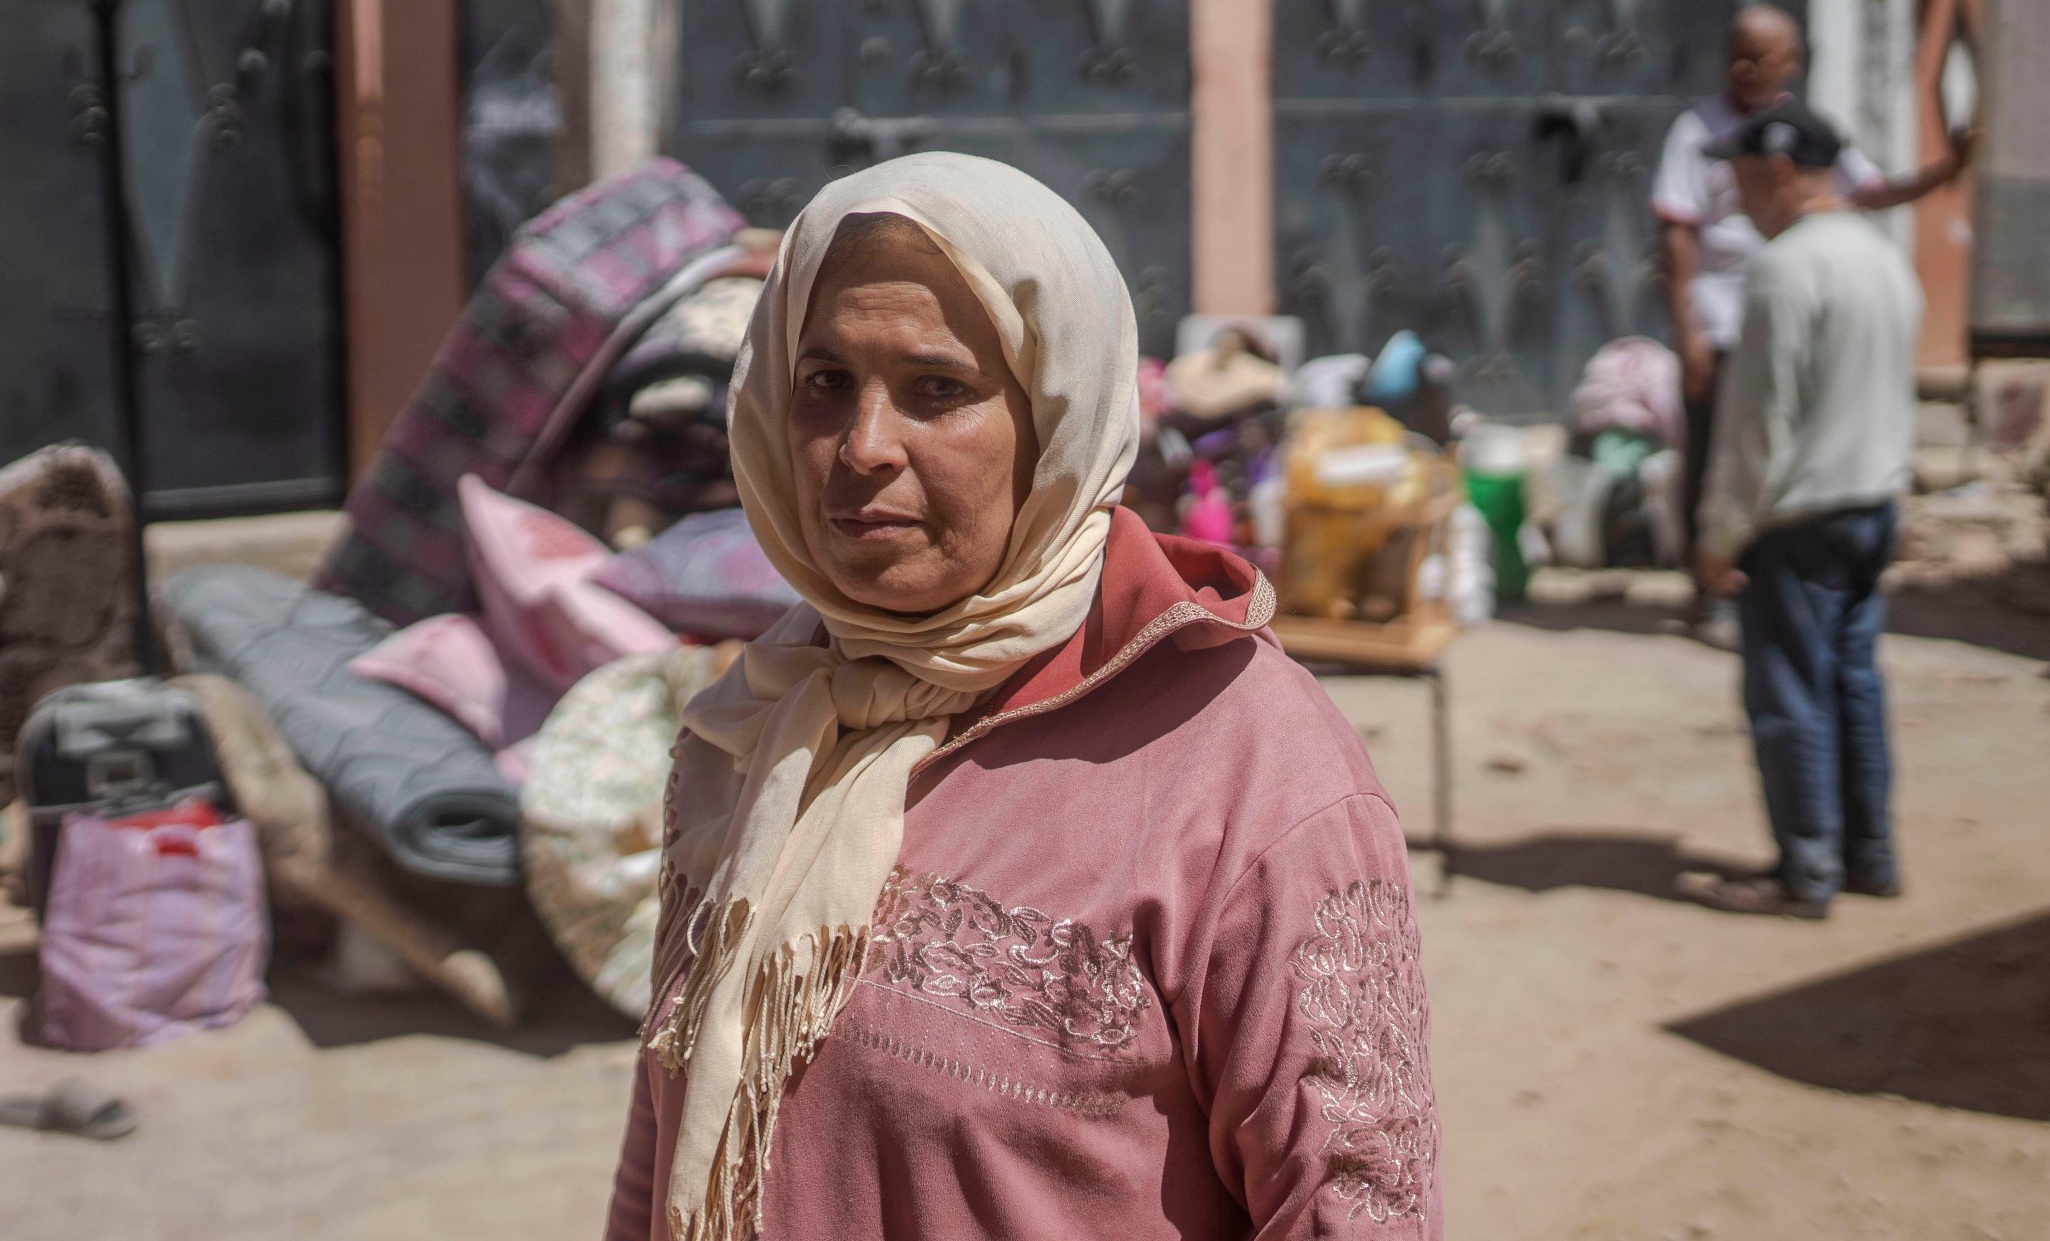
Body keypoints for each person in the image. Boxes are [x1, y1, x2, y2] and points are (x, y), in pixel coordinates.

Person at [605, 153, 1439, 1240]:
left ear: (1055, 416)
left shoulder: (1250, 776)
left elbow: (1356, 1214)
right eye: (824, 383)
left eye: (938, 390)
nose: (862, 446)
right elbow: (663, 1141)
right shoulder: (764, 719)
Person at [1652, 4, 1971, 647]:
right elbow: (1677, 233)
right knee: (1723, 450)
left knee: (1765, 444)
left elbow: (1874, 191)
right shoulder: (1698, 132)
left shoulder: (1807, 184)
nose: (1743, 68)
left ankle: (1747, 573)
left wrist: (1946, 172)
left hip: (1792, 334)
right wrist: (1687, 329)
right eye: (1735, 53)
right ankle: (1715, 584)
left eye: (1759, 57)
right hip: (1724, 321)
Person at [1683, 101, 1922, 920]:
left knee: (1790, 694)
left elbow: (1756, 426)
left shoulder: (1786, 269)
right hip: (1871, 503)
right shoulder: (1880, 256)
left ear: (1778, 172)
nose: (1735, 194)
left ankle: (1806, 870)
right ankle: (1870, 854)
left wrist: (1718, 539)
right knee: (1853, 681)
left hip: (1800, 518)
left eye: (1741, 175)